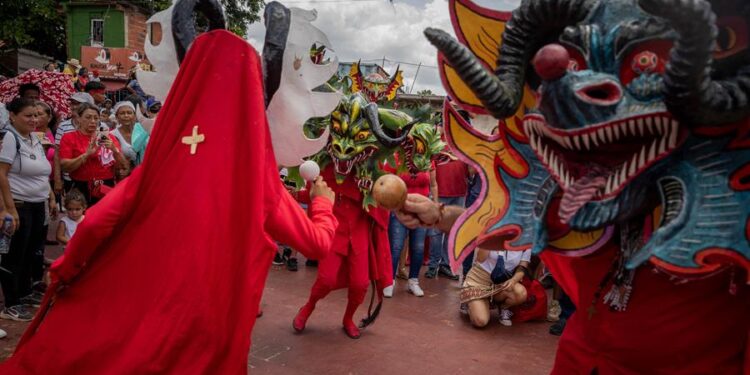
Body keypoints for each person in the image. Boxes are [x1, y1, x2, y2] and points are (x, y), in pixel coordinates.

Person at [0, 28, 339, 374]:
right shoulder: (259, 181)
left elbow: (96, 223)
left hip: (135, 320)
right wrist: (323, 203)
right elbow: (316, 244)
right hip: (203, 336)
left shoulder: (160, 162)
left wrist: (67, 272)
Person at [0, 97, 55, 322]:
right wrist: (9, 209)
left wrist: (50, 196)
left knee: (31, 253)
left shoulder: (34, 138)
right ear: (13, 116)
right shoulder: (10, 138)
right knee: (14, 255)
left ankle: (24, 294)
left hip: (38, 204)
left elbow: (43, 171)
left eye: (36, 115)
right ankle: (11, 304)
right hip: (19, 205)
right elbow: (1, 174)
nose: (34, 120)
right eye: (28, 116)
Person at [383, 155, 437, 298]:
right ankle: (389, 281)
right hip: (400, 209)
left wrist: (435, 207)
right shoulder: (396, 157)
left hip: (421, 211)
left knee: (418, 247)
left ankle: (413, 281)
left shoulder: (427, 157)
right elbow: (387, 183)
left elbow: (433, 185)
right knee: (396, 246)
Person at [59, 103, 128, 205]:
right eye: (88, 117)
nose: (93, 121)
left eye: (96, 118)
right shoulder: (69, 137)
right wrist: (86, 155)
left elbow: (124, 166)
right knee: (82, 218)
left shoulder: (108, 137)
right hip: (80, 185)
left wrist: (114, 150)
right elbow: (65, 166)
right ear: (79, 119)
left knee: (104, 217)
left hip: (105, 185)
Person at [461, 248, 530, 328]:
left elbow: (522, 268)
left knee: (521, 293)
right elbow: (480, 259)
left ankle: (503, 308)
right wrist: (491, 242)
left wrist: (514, 280)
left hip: (501, 282)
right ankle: (470, 300)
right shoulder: (493, 237)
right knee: (480, 321)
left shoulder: (525, 241)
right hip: (479, 280)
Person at [110, 101, 149, 169]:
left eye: (129, 113)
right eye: (122, 113)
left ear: (134, 115)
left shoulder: (143, 129)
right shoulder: (112, 134)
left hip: (146, 169)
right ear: (117, 117)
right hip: (125, 173)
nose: (126, 115)